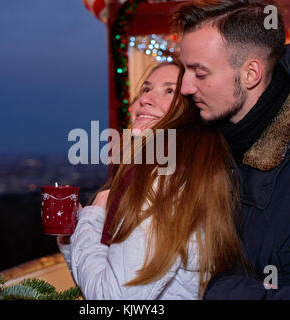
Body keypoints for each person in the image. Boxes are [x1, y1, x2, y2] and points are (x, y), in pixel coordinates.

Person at [171, 0, 290, 299]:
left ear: (251, 74)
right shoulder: (204, 145)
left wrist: (220, 290)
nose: (185, 86)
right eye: (184, 70)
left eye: (199, 73)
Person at [57, 59, 249, 299]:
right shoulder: (171, 171)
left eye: (169, 91)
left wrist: (93, 216)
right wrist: (72, 237)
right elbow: (99, 282)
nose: (145, 99)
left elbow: (115, 300)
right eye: (146, 89)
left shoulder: (165, 181)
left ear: (193, 110)